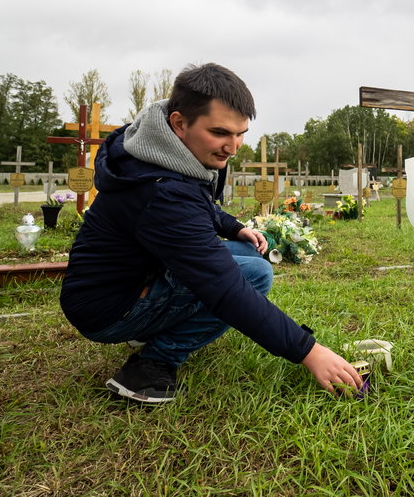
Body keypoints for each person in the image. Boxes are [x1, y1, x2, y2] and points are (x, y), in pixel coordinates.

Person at [60, 63, 362, 403]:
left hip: (125, 279)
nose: (233, 147)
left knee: (248, 253)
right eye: (220, 133)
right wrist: (309, 351)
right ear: (178, 122)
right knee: (254, 276)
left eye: (240, 133)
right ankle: (151, 366)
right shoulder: (161, 192)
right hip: (109, 308)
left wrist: (233, 227)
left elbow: (195, 199)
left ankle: (152, 326)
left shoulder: (156, 147)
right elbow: (225, 289)